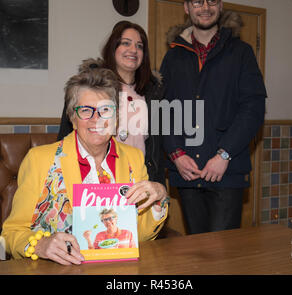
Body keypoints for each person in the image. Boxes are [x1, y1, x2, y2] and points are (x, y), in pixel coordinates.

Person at [1, 67, 168, 265]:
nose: (96, 119)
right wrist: (40, 245)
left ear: (116, 119)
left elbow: (138, 235)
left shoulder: (134, 157)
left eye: (105, 110)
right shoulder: (39, 160)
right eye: (86, 110)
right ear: (73, 118)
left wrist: (159, 197)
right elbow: (11, 233)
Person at [160, 0, 267, 234]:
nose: (205, 7)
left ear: (220, 5)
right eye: (197, 1)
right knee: (197, 252)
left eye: (211, 0)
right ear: (187, 7)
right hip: (187, 172)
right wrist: (176, 155)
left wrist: (224, 154)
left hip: (226, 172)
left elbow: (253, 108)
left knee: (222, 256)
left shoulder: (241, 53)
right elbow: (162, 110)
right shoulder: (173, 56)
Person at [57, 21, 165, 185]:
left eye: (139, 46)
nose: (133, 50)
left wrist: (157, 185)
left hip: (140, 178)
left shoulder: (154, 92)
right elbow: (66, 134)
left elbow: (156, 148)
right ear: (113, 47)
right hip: (96, 177)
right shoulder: (90, 86)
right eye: (126, 43)